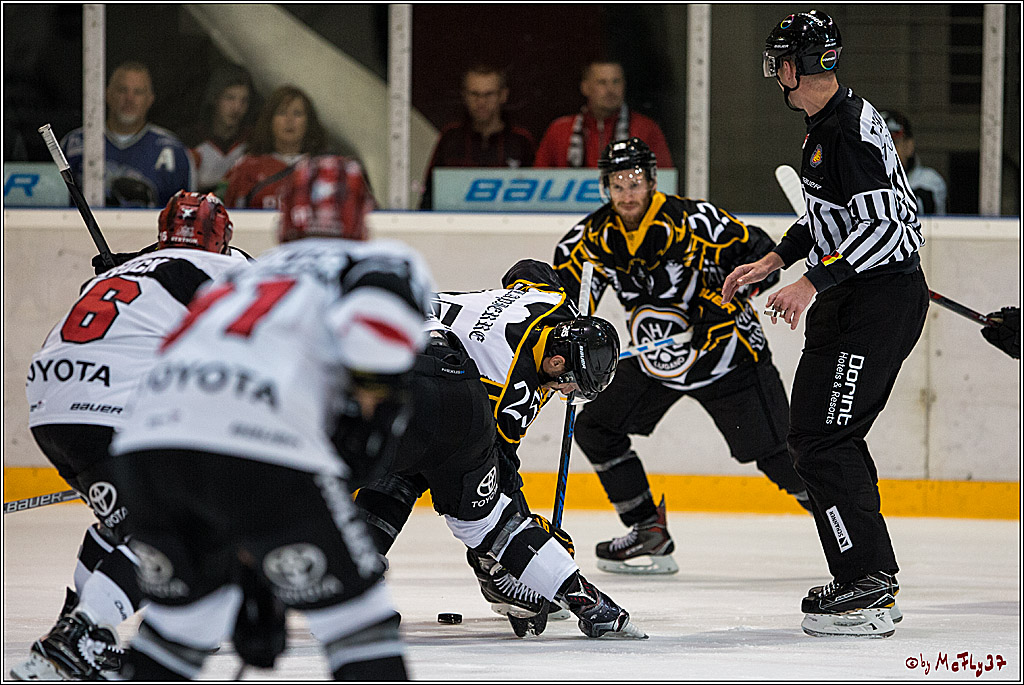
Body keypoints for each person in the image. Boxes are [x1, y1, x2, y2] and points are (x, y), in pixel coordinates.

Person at [106, 156, 433, 679]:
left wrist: (256, 580)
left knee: (183, 628)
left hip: (147, 449)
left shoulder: (237, 275)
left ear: (283, 219)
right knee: (359, 625)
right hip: (264, 447)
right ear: (363, 217)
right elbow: (377, 333)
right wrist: (368, 424)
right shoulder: (378, 261)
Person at [721, 10, 928, 638]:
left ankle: (869, 582)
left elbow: (887, 230)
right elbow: (829, 218)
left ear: (795, 65)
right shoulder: (825, 125)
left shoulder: (850, 133)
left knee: (828, 440)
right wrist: (775, 261)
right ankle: (859, 574)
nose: (772, 71)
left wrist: (810, 283)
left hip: (876, 306)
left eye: (778, 59)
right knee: (810, 437)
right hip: (850, 301)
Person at [11, 192, 244, 680]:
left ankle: (71, 628)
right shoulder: (219, 270)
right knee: (179, 530)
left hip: (48, 405)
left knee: (122, 523)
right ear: (221, 239)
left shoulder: (121, 272)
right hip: (109, 409)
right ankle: (82, 637)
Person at [550, 137, 809, 575]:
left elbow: (767, 257)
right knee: (596, 425)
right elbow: (568, 306)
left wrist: (722, 301)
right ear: (605, 188)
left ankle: (845, 529)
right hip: (659, 361)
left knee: (780, 458)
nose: (627, 192)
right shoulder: (587, 240)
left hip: (729, 357)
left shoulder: (698, 220)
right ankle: (648, 530)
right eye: (617, 183)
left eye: (635, 180)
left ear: (652, 180)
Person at [354, 261, 646, 640]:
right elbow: (493, 471)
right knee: (442, 469)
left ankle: (355, 574)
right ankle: (499, 576)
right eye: (571, 384)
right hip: (412, 377)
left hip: (389, 340)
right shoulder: (512, 393)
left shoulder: (555, 302)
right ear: (556, 361)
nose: (569, 393)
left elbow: (527, 269)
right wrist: (523, 551)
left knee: (404, 465)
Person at [62, 61, 195, 207]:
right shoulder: (74, 143)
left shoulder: (174, 150)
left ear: (150, 99)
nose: (129, 99)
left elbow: (185, 216)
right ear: (107, 94)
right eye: (122, 90)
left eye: (138, 92)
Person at [418, 64, 536, 209]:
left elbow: (536, 194)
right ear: (464, 95)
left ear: (503, 95)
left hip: (508, 225)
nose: (481, 102)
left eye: (488, 94)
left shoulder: (520, 140)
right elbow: (430, 193)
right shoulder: (451, 138)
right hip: (455, 224)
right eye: (474, 94)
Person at [534, 60, 673, 169]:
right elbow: (539, 181)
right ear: (585, 87)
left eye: (616, 82)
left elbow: (663, 182)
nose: (610, 90)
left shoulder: (646, 129)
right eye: (602, 82)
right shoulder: (559, 130)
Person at [219, 85, 327, 209]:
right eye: (282, 113)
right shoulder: (246, 167)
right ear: (269, 120)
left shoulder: (323, 168)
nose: (289, 120)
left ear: (309, 122)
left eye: (297, 114)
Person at [182, 64, 255, 194]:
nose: (237, 107)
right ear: (215, 98)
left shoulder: (253, 142)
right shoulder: (190, 140)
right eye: (230, 98)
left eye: (244, 100)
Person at [879, 109, 948, 215]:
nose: (885, 151)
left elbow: (915, 208)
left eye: (892, 144)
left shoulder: (930, 180)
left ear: (909, 146)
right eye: (877, 145)